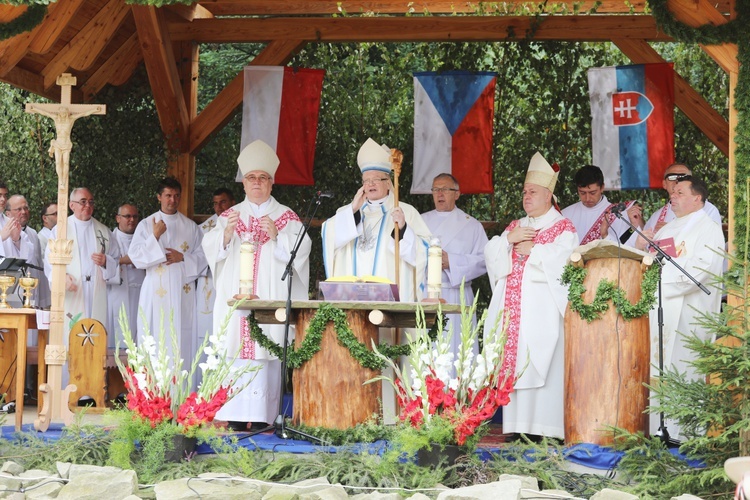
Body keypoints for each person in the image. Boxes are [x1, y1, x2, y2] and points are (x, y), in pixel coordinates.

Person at [203, 140, 311, 431]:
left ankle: (266, 420)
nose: (257, 183)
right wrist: (225, 236)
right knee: (235, 357)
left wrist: (278, 236)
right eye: (251, 178)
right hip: (236, 307)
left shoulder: (286, 217)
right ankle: (236, 420)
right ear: (244, 183)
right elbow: (210, 249)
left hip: (268, 306)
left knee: (267, 357)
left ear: (272, 183)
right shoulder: (228, 216)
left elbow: (302, 251)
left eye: (263, 178)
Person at [483, 152, 578, 440]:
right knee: (514, 362)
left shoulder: (562, 227)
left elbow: (568, 263)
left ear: (548, 195)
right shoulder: (516, 226)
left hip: (542, 312)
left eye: (533, 192)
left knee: (541, 363)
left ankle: (546, 430)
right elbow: (492, 256)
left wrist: (534, 252)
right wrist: (505, 242)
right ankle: (516, 426)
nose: (527, 196)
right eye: (525, 192)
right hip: (512, 312)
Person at [635, 176, 724, 439]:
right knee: (658, 369)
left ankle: (684, 435)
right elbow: (647, 263)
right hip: (660, 309)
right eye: (672, 192)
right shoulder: (666, 228)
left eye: (680, 192)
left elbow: (702, 269)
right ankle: (657, 430)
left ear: (697, 198)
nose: (672, 196)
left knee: (684, 369)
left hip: (688, 314)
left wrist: (660, 278)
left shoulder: (708, 228)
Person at [322, 137, 431, 301]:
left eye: (376, 179)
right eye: (366, 180)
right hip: (352, 297)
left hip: (390, 299)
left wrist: (402, 228)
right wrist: (352, 210)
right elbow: (329, 236)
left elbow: (424, 252)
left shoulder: (405, 212)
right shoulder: (349, 212)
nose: (370, 184)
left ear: (388, 183)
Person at [129, 177, 207, 376]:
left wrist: (184, 257)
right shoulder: (147, 225)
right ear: (159, 197)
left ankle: (180, 393)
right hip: (155, 291)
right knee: (154, 337)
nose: (172, 200)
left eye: (176, 196)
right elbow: (136, 257)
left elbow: (203, 256)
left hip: (182, 292)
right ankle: (152, 397)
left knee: (181, 337)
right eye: (168, 196)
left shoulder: (190, 226)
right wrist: (154, 236)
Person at [43, 187, 120, 384]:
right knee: (71, 335)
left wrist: (105, 262)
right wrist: (62, 276)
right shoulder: (60, 229)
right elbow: (50, 262)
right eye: (83, 201)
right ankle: (67, 386)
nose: (88, 205)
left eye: (91, 202)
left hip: (95, 291)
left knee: (94, 337)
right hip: (72, 292)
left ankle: (91, 387)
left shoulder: (103, 231)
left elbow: (116, 261)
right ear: (71, 205)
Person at [421, 173, 488, 358]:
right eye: (435, 189)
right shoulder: (419, 221)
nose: (440, 194)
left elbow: (484, 260)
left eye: (445, 189)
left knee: (455, 350)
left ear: (457, 194)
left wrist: (452, 262)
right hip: (425, 294)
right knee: (428, 349)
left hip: (456, 294)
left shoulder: (472, 225)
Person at [196, 188, 236, 358]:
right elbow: (197, 256)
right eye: (215, 203)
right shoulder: (205, 228)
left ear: (233, 203)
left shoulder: (240, 220)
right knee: (207, 332)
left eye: (223, 202)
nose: (219, 207)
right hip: (208, 282)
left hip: (231, 283)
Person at [561, 165, 643, 245]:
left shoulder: (619, 214)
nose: (587, 198)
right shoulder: (565, 215)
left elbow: (628, 248)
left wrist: (605, 234)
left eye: (592, 193)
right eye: (582, 193)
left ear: (602, 187)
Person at [643, 163, 722, 232]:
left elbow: (709, 241)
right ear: (664, 184)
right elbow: (646, 246)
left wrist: (670, 231)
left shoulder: (708, 210)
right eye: (672, 177)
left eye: (683, 177)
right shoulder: (657, 216)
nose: (677, 180)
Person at [107, 204, 145, 347]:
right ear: (118, 218)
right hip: (117, 292)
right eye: (127, 216)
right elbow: (102, 266)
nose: (132, 220)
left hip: (139, 293)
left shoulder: (144, 239)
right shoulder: (109, 238)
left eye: (135, 216)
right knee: (118, 333)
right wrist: (123, 261)